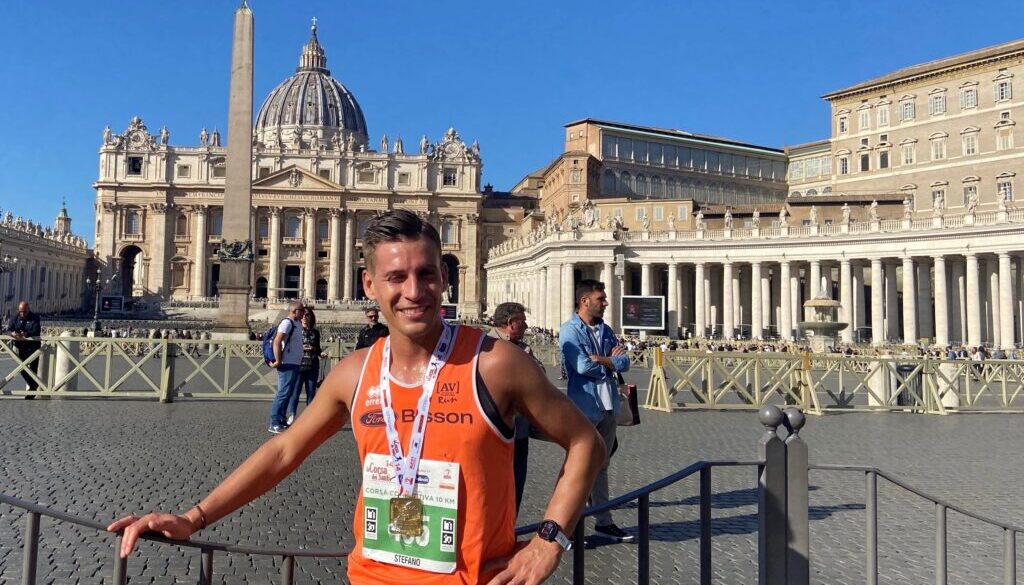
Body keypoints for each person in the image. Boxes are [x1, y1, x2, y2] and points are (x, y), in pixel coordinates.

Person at [108, 209, 604, 585]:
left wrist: (550, 541)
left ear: (445, 277)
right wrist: (193, 518)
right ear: (369, 284)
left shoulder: (496, 363)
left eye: (426, 274)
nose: (414, 290)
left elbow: (588, 443)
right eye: (396, 277)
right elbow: (283, 450)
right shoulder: (353, 372)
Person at [559, 279, 634, 542]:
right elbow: (580, 366)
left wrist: (603, 360)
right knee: (577, 467)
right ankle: (563, 525)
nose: (606, 303)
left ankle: (604, 521)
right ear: (585, 301)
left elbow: (625, 361)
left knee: (602, 466)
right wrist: (611, 362)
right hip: (585, 407)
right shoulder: (569, 330)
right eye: (601, 299)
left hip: (609, 406)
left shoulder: (605, 329)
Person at [488, 301, 544, 515]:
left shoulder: (523, 348)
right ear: (511, 323)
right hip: (491, 430)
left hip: (519, 429)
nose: (526, 325)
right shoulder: (484, 344)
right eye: (522, 321)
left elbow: (540, 379)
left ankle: (509, 529)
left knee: (516, 483)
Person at [266, 301, 305, 434]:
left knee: (288, 393)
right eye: (302, 309)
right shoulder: (287, 323)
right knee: (283, 393)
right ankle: (274, 422)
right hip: (287, 363)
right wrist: (278, 360)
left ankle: (281, 419)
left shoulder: (297, 324)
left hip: (294, 362)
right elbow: (277, 341)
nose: (304, 312)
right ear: (295, 310)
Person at [287, 308, 326, 425]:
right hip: (298, 364)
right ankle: (292, 415)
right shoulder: (295, 330)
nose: (305, 317)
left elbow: (317, 348)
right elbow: (289, 346)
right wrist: (301, 348)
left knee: (311, 393)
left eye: (307, 315)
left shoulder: (315, 332)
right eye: (303, 315)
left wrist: (320, 353)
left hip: (312, 365)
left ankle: (310, 418)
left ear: (311, 317)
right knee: (295, 392)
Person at [7, 301, 42, 398]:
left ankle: (32, 392)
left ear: (28, 309)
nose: (22, 313)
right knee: (22, 368)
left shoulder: (35, 317)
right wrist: (12, 334)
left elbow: (36, 330)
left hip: (33, 347)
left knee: (33, 369)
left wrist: (26, 334)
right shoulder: (15, 317)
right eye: (20, 311)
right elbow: (9, 329)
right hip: (21, 347)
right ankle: (34, 385)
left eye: (24, 311)